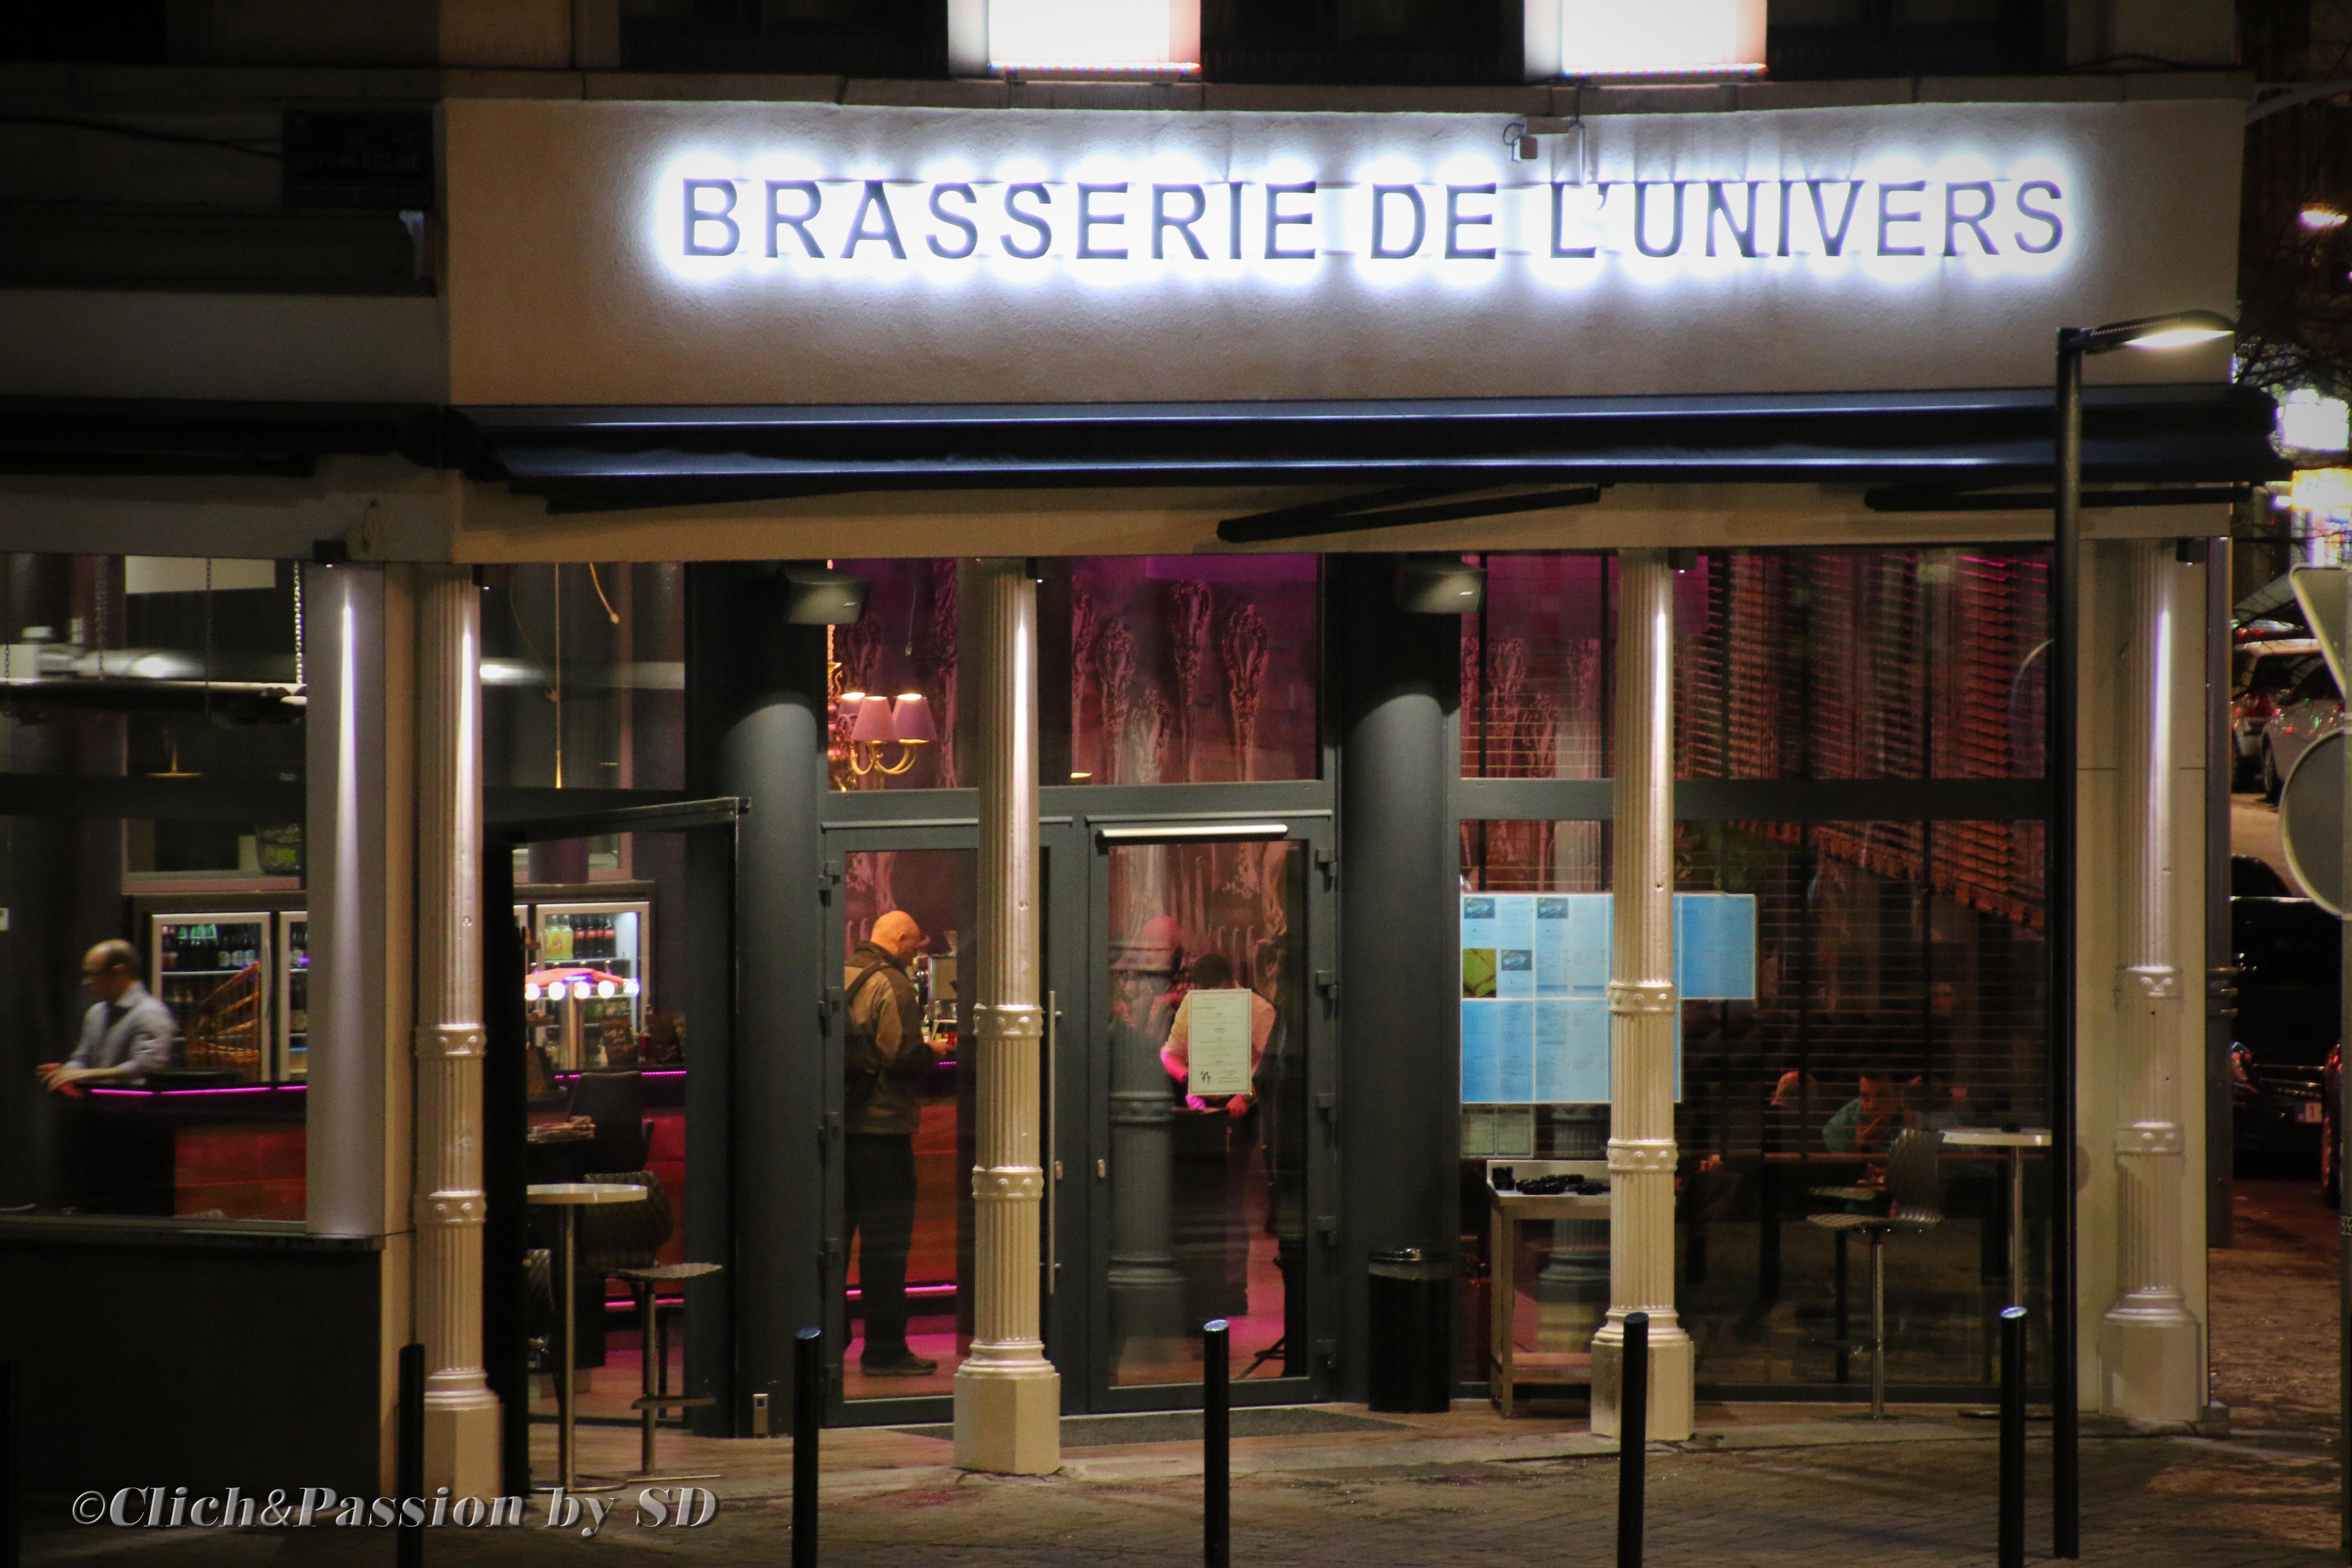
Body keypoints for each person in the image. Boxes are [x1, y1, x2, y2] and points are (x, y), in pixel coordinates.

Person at [843, 909, 939, 1378]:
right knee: (886, 1247)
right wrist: (934, 1053)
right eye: (916, 945)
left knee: (834, 1244)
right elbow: (901, 1055)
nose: (918, 953)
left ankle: (823, 1341)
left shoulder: (842, 974)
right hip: (883, 1131)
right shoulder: (895, 984)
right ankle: (884, 1349)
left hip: (839, 1131)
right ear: (900, 940)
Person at [39, 940, 175, 1095]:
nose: (87, 982)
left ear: (117, 972)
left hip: (137, 1111)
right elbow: (83, 1057)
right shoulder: (96, 1013)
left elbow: (146, 1067)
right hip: (100, 1109)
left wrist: (86, 1074)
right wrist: (66, 1072)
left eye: (93, 974)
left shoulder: (151, 1013)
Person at [1822, 1067, 1908, 1155]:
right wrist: (1861, 1147)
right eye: (1865, 1097)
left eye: (1881, 1096)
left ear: (1900, 1093)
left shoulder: (1912, 1114)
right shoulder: (1845, 1121)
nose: (1872, 1106)